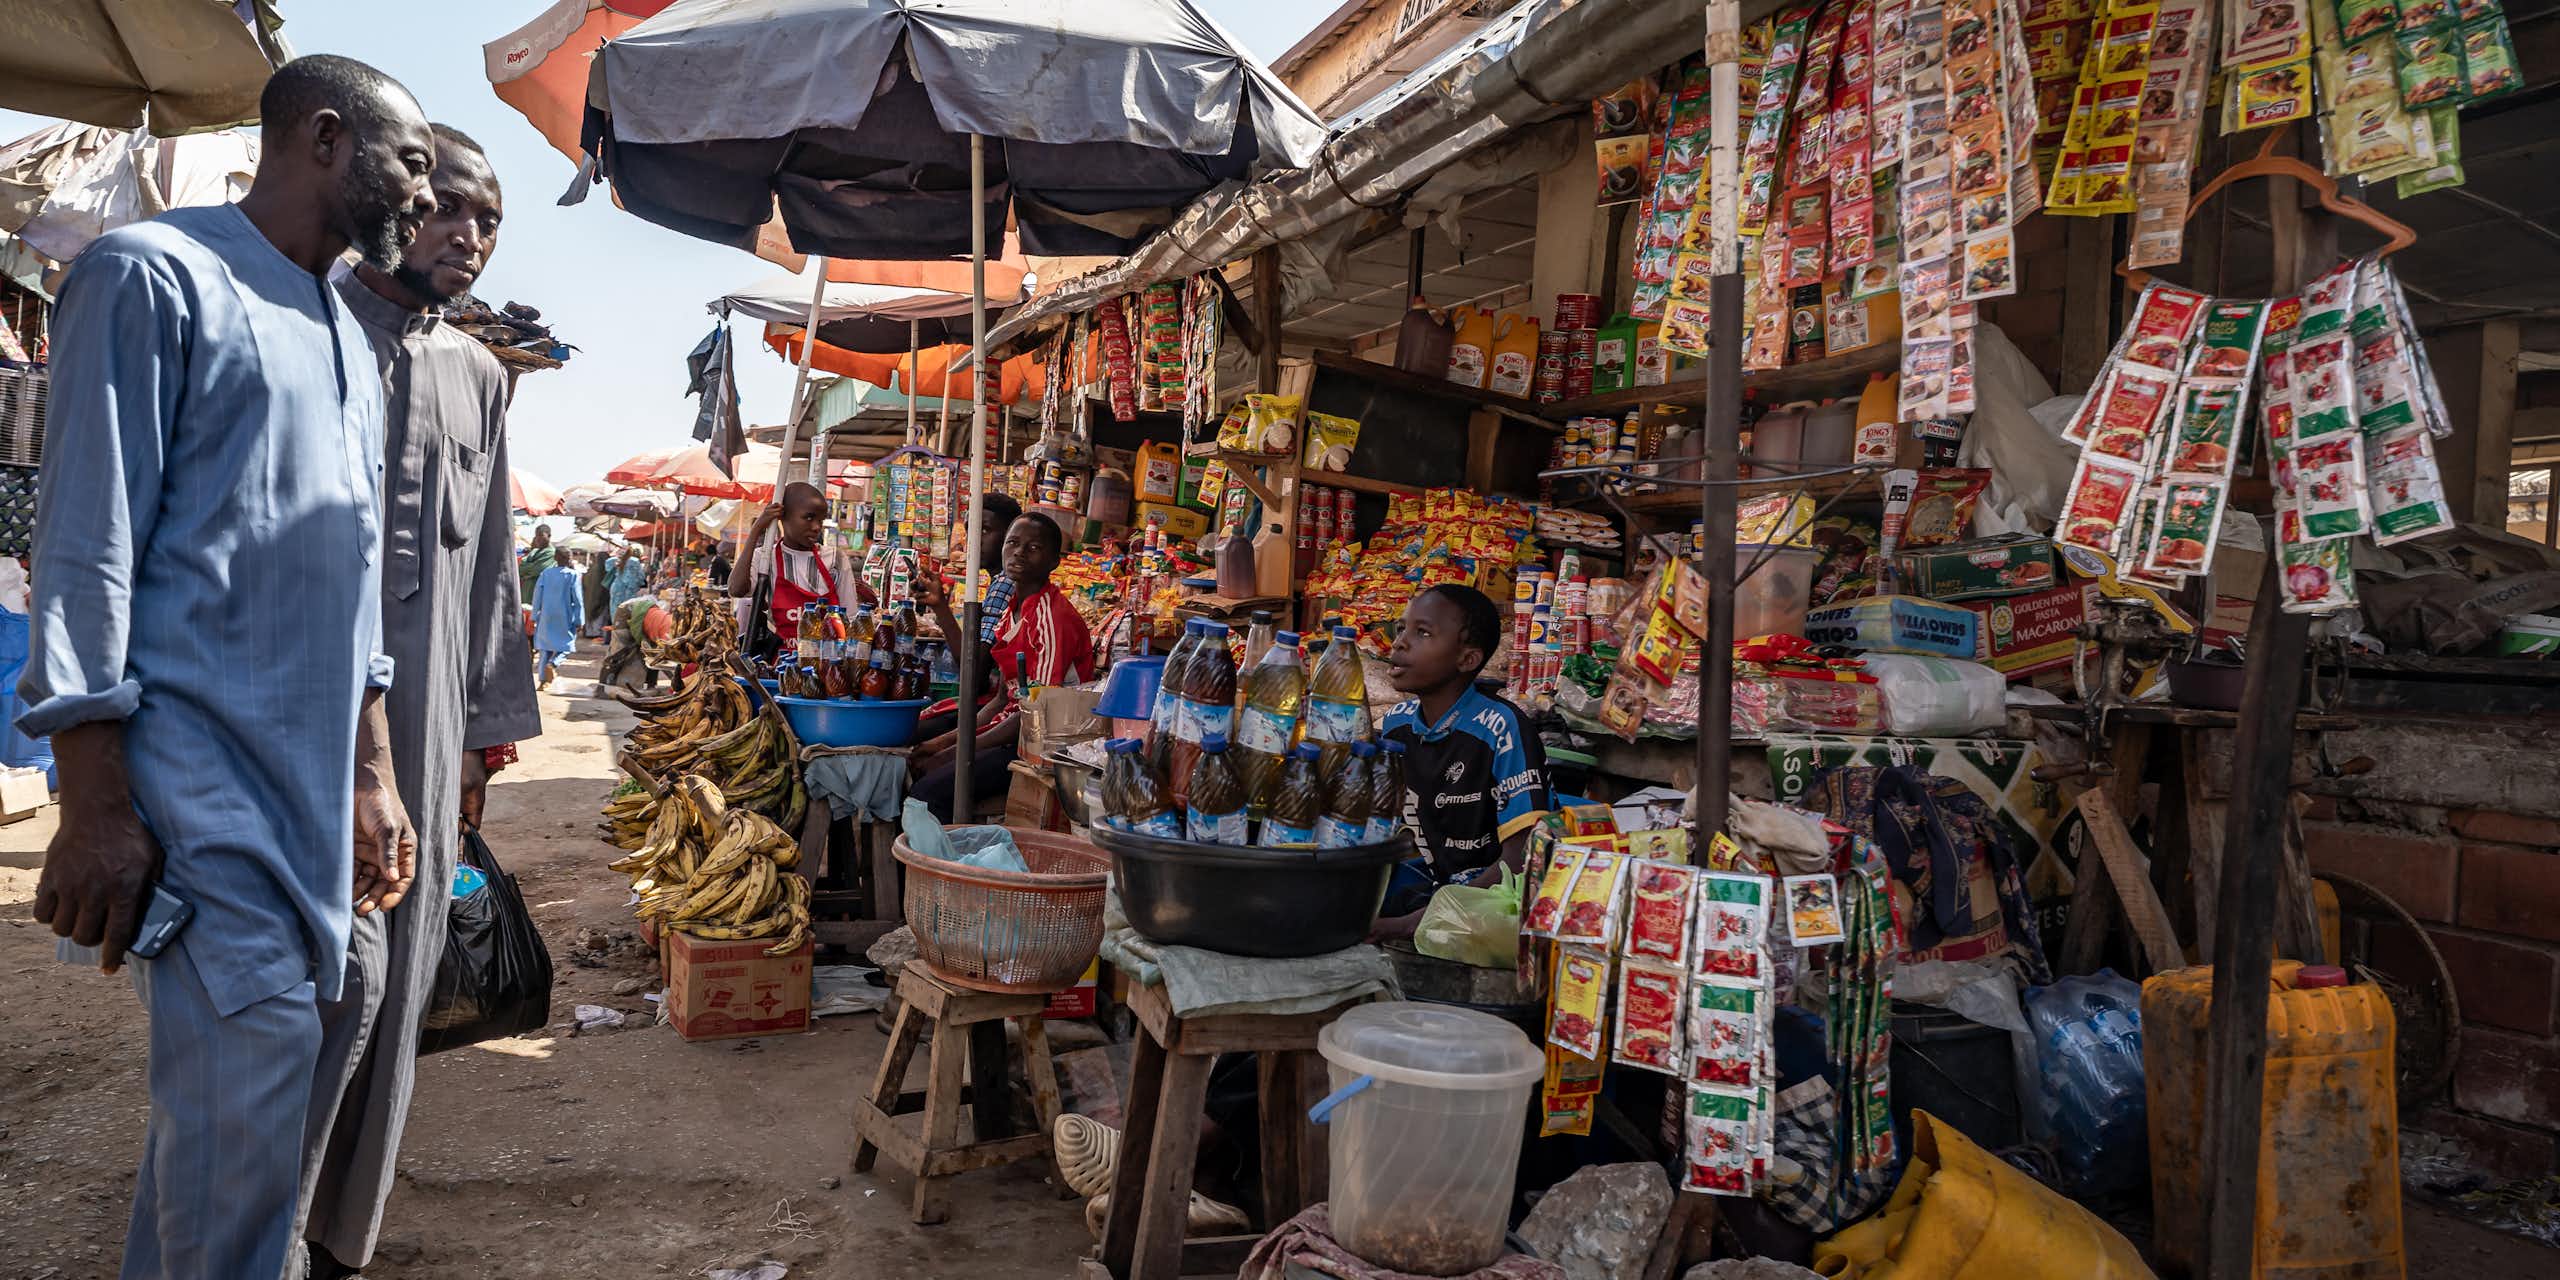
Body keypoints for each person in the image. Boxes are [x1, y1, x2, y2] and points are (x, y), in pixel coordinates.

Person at [15, 54, 430, 1280]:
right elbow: (86, 541)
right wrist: (91, 802)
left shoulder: (349, 327)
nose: (425, 191)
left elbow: (348, 580)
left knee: (236, 1179)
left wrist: (375, 775)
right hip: (209, 813)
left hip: (322, 828)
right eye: (411, 162)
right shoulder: (152, 273)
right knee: (233, 1176)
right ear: (325, 139)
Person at [301, 123, 542, 1280]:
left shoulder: (480, 375)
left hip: (433, 733)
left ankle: (338, 1238)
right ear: (391, 196)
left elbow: (492, 566)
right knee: (315, 982)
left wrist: (487, 744)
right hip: (300, 720)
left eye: (489, 219)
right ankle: (256, 1225)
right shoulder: (307, 325)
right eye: (448, 207)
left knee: (398, 984)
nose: (468, 236)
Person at [1372, 583, 1552, 940]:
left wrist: (1412, 923)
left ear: (1467, 659)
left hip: (1494, 903)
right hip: (1433, 888)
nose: (1400, 643)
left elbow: (1523, 857)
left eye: (1422, 633)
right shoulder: (1397, 723)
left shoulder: (1501, 727)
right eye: (1402, 628)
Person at [909, 512, 1091, 821]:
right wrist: (947, 742)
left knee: (926, 796)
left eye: (1033, 547)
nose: (1019, 552)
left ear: (1054, 562)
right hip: (1013, 730)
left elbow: (1037, 715)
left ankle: (944, 868)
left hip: (1044, 746)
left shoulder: (1051, 618)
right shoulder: (1013, 612)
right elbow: (1002, 699)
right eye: (1013, 543)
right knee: (920, 762)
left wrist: (957, 751)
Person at [727, 481, 840, 662]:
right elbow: (736, 589)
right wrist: (757, 529)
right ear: (783, 516)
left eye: (821, 520)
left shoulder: (835, 559)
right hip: (779, 664)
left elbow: (848, 615)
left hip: (826, 665)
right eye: (809, 518)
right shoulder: (765, 558)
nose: (817, 527)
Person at [532, 550, 586, 688]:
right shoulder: (573, 575)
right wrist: (580, 620)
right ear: (570, 559)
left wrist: (534, 615)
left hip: (546, 615)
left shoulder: (546, 574)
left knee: (545, 648)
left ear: (555, 558)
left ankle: (543, 681)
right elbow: (578, 599)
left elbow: (537, 595)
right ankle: (554, 663)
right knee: (567, 644)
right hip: (564, 615)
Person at [516, 521, 554, 604]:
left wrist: (526, 571)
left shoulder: (551, 553)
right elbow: (519, 567)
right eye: (536, 535)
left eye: (541, 535)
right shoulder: (535, 551)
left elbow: (537, 569)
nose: (538, 538)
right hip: (526, 593)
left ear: (549, 536)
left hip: (538, 595)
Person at [608, 546, 650, 618]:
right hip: (629, 591)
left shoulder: (616, 561)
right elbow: (641, 578)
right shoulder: (634, 561)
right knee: (627, 616)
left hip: (616, 588)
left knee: (616, 614)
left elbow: (608, 567)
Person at [581, 539, 611, 638]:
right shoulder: (605, 571)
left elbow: (584, 582)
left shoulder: (591, 569)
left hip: (589, 598)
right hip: (600, 597)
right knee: (600, 615)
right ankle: (596, 632)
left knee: (590, 614)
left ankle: (590, 632)